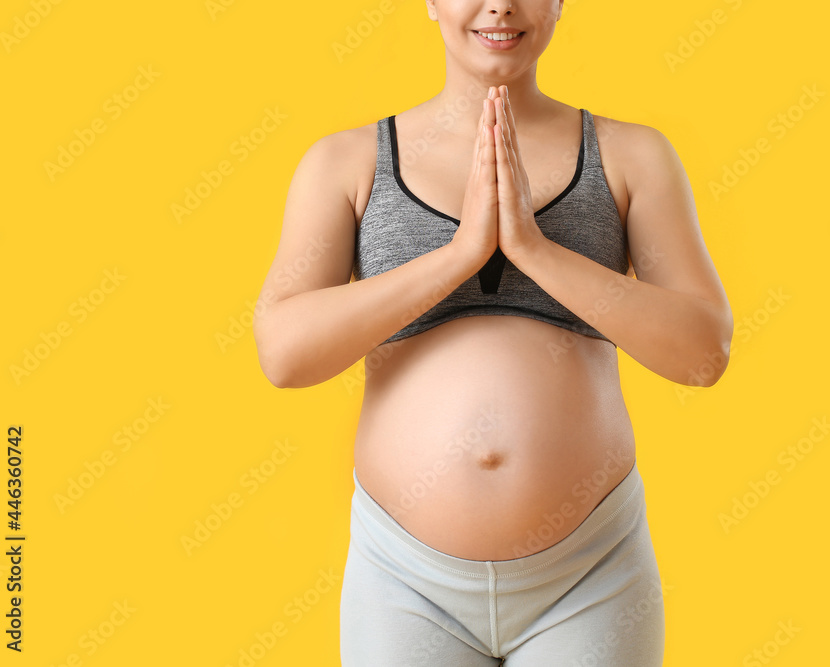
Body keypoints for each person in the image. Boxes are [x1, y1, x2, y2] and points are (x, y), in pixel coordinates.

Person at [253, 1, 733, 664]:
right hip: (404, 579)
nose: (500, 5)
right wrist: (456, 256)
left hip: (590, 572)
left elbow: (703, 352)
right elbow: (283, 351)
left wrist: (535, 248)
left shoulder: (632, 156)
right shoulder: (346, 161)